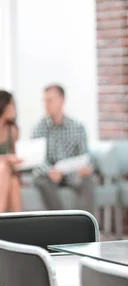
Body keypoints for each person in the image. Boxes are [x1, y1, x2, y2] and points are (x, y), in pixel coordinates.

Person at [32, 84, 94, 213]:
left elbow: (85, 156)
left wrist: (85, 168)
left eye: (50, 100)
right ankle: (61, 224)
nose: (46, 104)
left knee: (87, 180)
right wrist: (50, 171)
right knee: (41, 181)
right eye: (44, 100)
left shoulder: (77, 127)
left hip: (72, 174)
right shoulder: (39, 128)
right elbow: (37, 160)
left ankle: (84, 227)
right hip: (50, 176)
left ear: (62, 100)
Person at [0, 90, 22, 213]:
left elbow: (15, 155)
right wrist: (6, 159)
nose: (14, 109)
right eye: (12, 105)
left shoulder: (12, 130)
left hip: (7, 172)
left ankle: (18, 227)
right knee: (3, 167)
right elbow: (8, 158)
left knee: (14, 182)